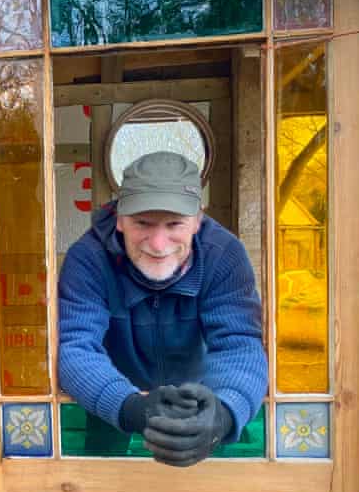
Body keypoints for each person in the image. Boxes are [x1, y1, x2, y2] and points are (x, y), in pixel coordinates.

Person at [57, 150, 268, 467]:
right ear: (119, 219)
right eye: (142, 223)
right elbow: (74, 346)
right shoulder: (87, 259)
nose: (158, 244)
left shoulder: (224, 255)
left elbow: (240, 342)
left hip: (201, 401)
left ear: (197, 221)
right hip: (111, 397)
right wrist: (130, 408)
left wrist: (224, 413)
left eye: (174, 224)